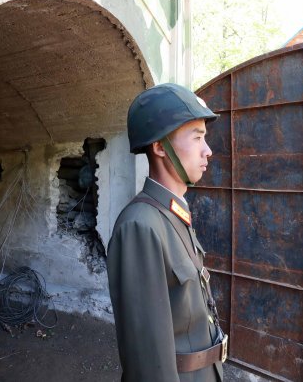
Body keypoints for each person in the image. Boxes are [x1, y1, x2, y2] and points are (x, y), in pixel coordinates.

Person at [107, 83, 226, 382]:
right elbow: (148, 362)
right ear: (160, 147)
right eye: (197, 137)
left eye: (205, 138)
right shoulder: (139, 226)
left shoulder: (172, 213)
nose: (207, 151)